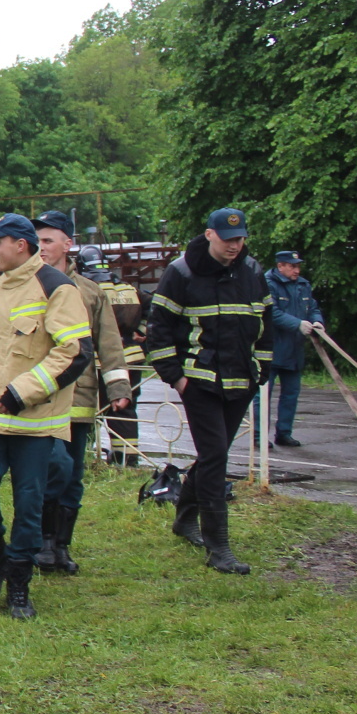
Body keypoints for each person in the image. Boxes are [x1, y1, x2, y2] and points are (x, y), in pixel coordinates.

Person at [0, 214, 94, 619]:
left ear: (21, 245)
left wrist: (22, 393)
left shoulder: (56, 287)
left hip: (35, 419)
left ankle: (19, 583)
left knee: (29, 503)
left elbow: (74, 351)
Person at [146, 208, 272, 575]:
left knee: (213, 455)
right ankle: (219, 547)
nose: (236, 245)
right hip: (199, 381)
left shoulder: (253, 272)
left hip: (241, 381)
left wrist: (262, 369)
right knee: (215, 454)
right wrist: (177, 377)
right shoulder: (180, 272)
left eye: (240, 238)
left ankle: (184, 519)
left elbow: (265, 325)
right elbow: (159, 329)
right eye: (229, 239)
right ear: (210, 234)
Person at [31, 213, 130, 576]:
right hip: (37, 398)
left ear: (67, 244)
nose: (42, 248)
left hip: (80, 398)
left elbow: (110, 344)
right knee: (49, 468)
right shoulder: (25, 286)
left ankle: (60, 546)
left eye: (49, 241)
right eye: (37, 241)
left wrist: (118, 388)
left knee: (72, 473)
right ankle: (39, 540)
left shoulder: (90, 291)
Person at [88, 249, 150, 467]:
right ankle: (127, 458)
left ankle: (87, 455)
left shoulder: (89, 288)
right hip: (132, 357)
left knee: (91, 409)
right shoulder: (127, 287)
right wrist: (142, 330)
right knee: (125, 409)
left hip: (100, 359)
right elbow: (152, 307)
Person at [263, 250, 324, 447]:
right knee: (263, 397)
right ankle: (259, 437)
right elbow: (272, 313)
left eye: (298, 266)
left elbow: (312, 307)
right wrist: (298, 324)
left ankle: (284, 433)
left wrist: (317, 323)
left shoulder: (303, 285)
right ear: (280, 266)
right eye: (292, 266)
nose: (296, 270)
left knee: (291, 394)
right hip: (271, 348)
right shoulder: (267, 284)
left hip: (294, 349)